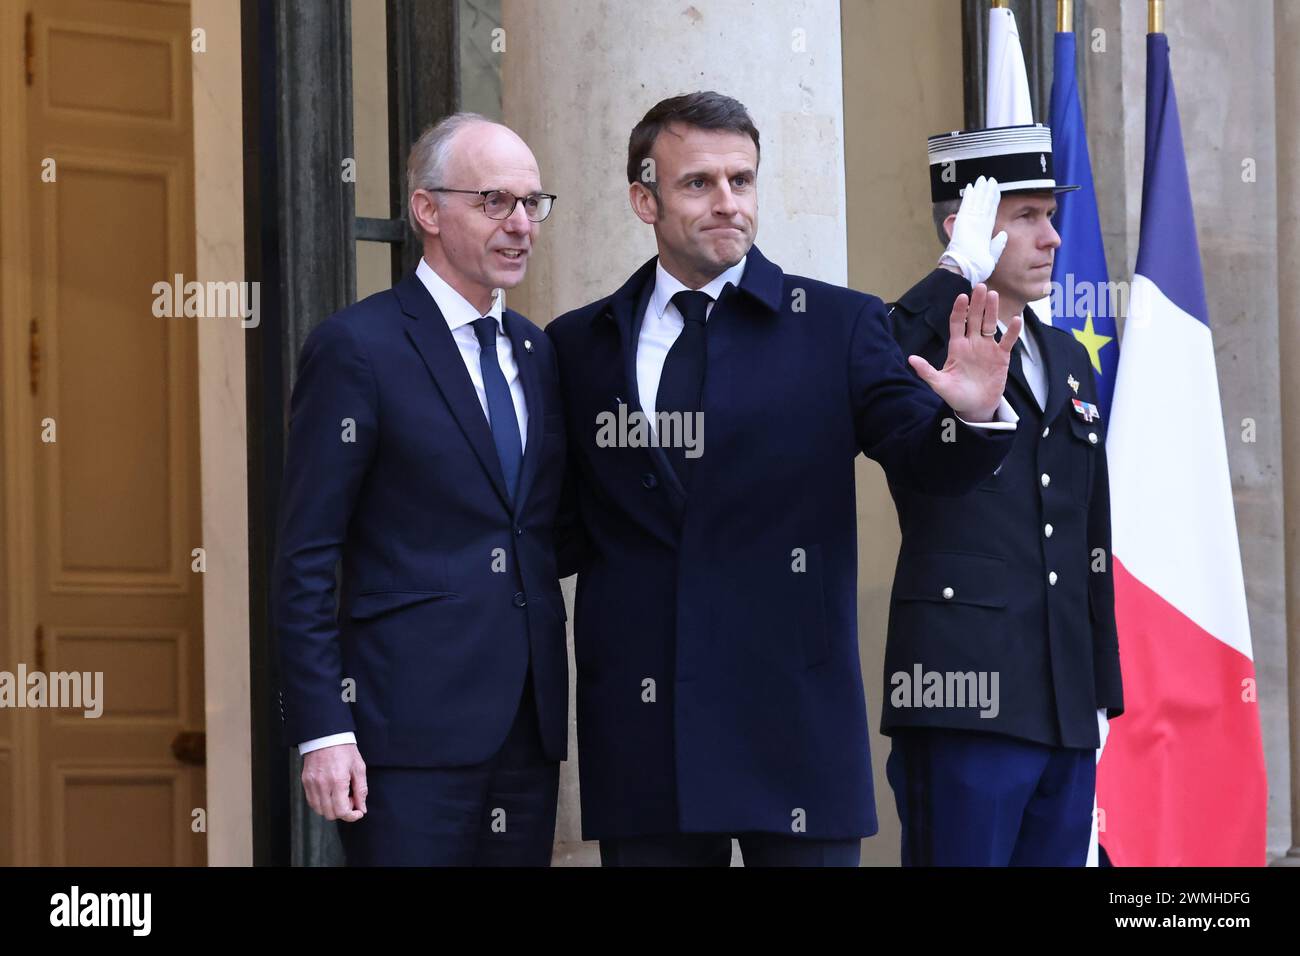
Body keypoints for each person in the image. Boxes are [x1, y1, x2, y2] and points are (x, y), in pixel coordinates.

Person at [546, 91, 1020, 866]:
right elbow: (557, 525)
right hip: (645, 726)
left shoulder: (836, 324)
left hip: (796, 726)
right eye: (699, 183)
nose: (728, 202)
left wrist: (968, 417)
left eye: (743, 180)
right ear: (645, 199)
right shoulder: (577, 345)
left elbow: (924, 461)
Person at [274, 113, 571, 866]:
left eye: (532, 203)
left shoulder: (537, 351)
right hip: (401, 735)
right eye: (494, 202)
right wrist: (324, 729)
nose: (520, 224)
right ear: (428, 211)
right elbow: (306, 556)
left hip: (527, 732)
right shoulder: (359, 347)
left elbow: (539, 529)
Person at [881, 123, 1124, 866]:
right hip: (962, 693)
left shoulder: (1066, 362)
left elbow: (1091, 537)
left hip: (1060, 701)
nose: (1052, 238)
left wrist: (1101, 688)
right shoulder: (917, 338)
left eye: (1051, 215)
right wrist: (953, 276)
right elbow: (880, 356)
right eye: (1027, 217)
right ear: (970, 228)